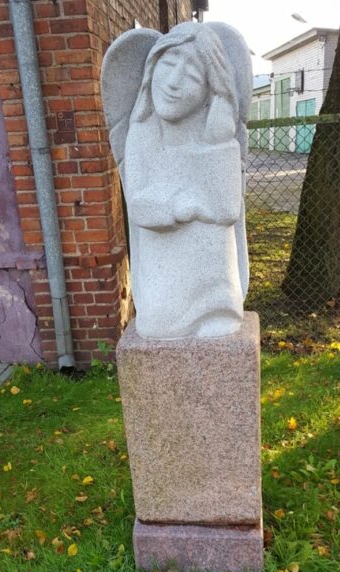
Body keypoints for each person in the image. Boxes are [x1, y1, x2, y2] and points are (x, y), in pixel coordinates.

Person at [102, 22, 251, 339]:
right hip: (164, 265)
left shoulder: (217, 138)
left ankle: (218, 306)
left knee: (221, 318)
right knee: (158, 325)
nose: (173, 83)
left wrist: (218, 140)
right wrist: (178, 207)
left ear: (210, 89)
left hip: (212, 270)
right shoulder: (142, 134)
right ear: (152, 68)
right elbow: (139, 206)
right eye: (168, 65)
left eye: (193, 76)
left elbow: (227, 209)